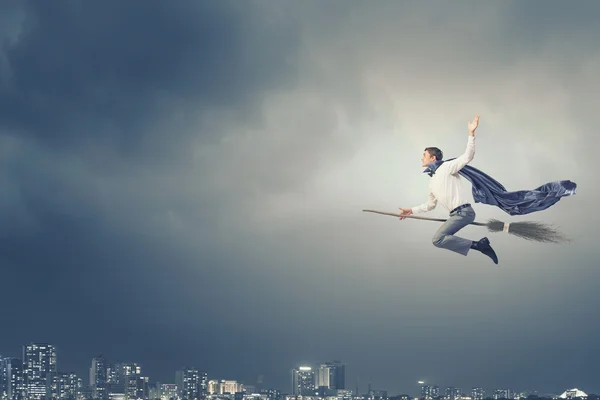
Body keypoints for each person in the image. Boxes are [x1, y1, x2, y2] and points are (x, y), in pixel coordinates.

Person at [398, 115, 499, 264]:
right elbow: (430, 206)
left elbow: (467, 157)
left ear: (433, 158)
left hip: (464, 213)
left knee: (437, 239)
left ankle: (479, 246)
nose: (421, 158)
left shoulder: (446, 167)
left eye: (424, 155)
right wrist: (411, 210)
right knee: (438, 239)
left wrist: (471, 134)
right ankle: (479, 245)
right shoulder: (432, 181)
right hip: (455, 215)